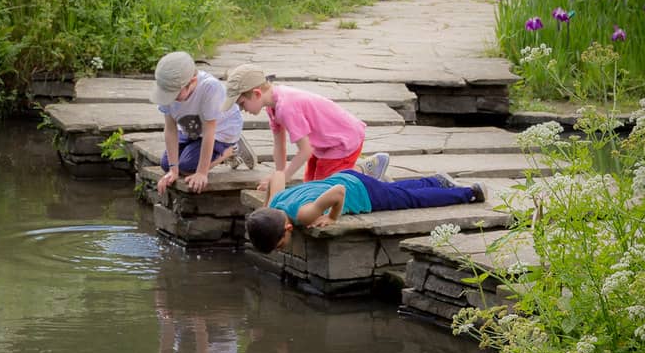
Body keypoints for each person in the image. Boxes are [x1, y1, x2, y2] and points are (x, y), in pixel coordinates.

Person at [246, 167, 487, 254]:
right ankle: (437, 182)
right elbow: (278, 175)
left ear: (288, 229)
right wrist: (267, 205)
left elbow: (338, 192)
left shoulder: (304, 215)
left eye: (280, 245)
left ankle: (470, 192)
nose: (283, 248)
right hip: (346, 176)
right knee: (398, 192)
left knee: (411, 200)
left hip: (360, 193)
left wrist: (331, 217)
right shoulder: (276, 203)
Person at [222, 64, 390, 187]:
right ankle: (356, 169)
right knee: (309, 185)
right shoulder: (271, 106)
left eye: (242, 104)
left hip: (343, 140)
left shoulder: (286, 107)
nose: (242, 110)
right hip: (324, 143)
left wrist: (284, 179)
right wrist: (278, 175)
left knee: (324, 190)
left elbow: (305, 151)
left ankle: (366, 172)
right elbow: (279, 146)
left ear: (257, 94)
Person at [151, 51, 255, 196]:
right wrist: (173, 170)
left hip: (220, 130)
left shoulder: (209, 87)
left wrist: (201, 172)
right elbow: (170, 129)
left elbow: (209, 130)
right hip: (191, 127)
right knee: (166, 164)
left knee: (188, 167)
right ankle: (212, 152)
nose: (171, 99)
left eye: (175, 94)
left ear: (192, 82)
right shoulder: (167, 89)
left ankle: (231, 149)